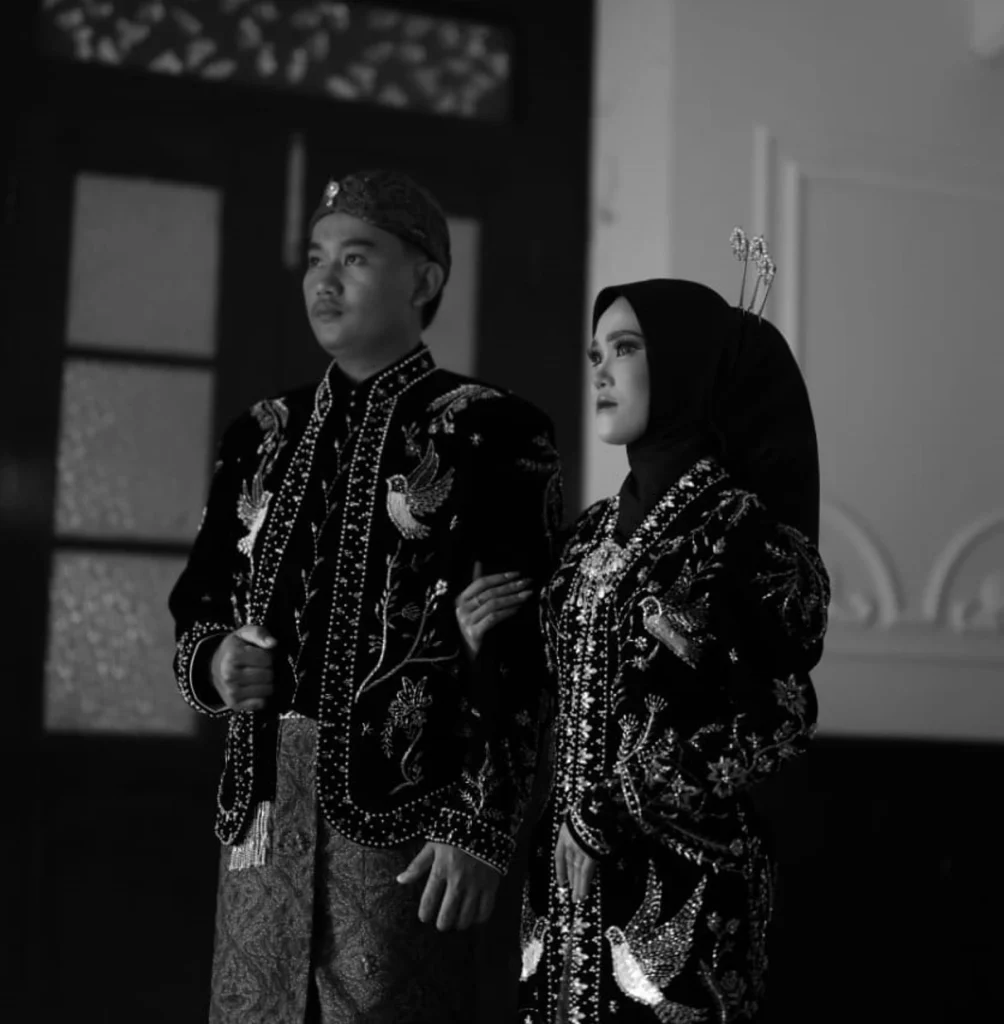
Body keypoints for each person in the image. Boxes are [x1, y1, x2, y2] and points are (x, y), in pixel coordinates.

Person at [169, 168, 563, 1023]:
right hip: (262, 817)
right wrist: (215, 662)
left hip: (406, 824)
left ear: (423, 280)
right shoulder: (260, 433)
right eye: (316, 258)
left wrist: (481, 826)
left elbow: (523, 650)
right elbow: (199, 603)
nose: (325, 280)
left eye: (355, 258)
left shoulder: (491, 432)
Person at [455, 274, 831, 1022]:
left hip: (685, 874)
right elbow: (555, 692)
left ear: (684, 364)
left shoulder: (742, 535)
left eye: (625, 348)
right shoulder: (587, 538)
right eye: (596, 353)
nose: (601, 370)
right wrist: (483, 639)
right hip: (563, 887)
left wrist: (616, 806)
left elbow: (782, 718)